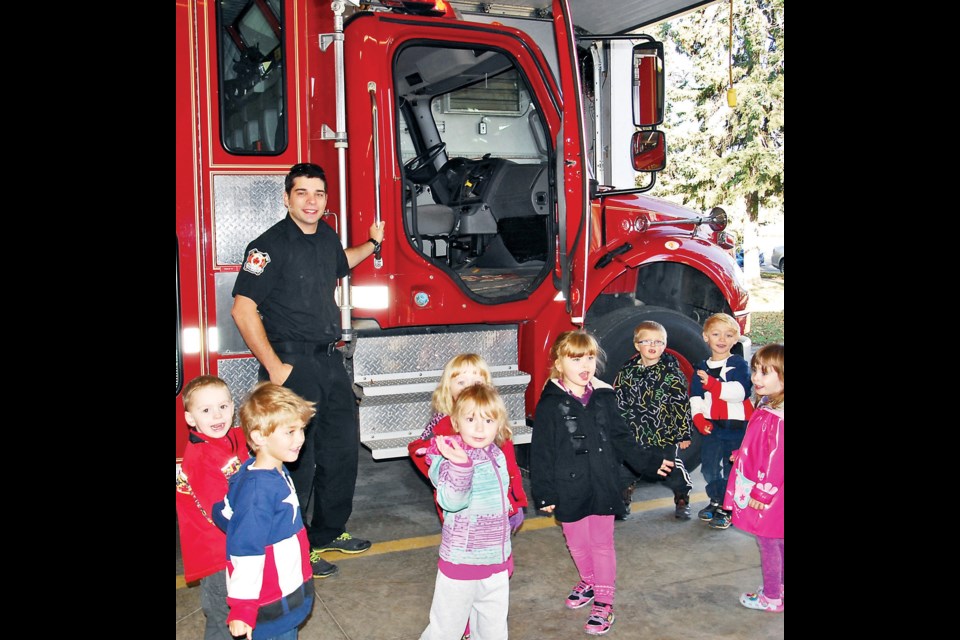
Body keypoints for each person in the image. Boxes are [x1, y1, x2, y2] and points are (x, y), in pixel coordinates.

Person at [231, 162, 385, 578]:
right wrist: (275, 368)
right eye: (302, 193)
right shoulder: (267, 247)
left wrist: (371, 245)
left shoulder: (327, 237)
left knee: (340, 451)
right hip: (290, 363)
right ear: (287, 198)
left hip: (329, 359)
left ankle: (328, 532)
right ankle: (296, 546)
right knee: (297, 458)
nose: (311, 201)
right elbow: (243, 310)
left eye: (318, 193)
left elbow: (339, 262)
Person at [530, 330, 674, 636]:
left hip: (604, 482)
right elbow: (541, 453)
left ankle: (604, 602)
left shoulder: (605, 396)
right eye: (576, 358)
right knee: (577, 543)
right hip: (569, 486)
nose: (586, 364)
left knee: (602, 543)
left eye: (591, 357)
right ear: (559, 362)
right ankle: (589, 580)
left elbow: (622, 438)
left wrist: (648, 461)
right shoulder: (549, 405)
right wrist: (544, 492)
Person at [213, 383, 317, 640]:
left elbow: (227, 515)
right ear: (259, 437)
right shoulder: (258, 491)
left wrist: (228, 515)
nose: (300, 438)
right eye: (290, 431)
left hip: (287, 591)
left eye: (301, 429)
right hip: (271, 602)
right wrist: (242, 609)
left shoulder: (271, 470)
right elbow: (245, 549)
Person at [418, 384, 514, 640]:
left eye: (488, 420)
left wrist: (505, 554)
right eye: (470, 419)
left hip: (495, 563)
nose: (480, 428)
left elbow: (500, 500)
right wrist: (461, 466)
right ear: (456, 423)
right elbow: (451, 501)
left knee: (493, 628)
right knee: (446, 628)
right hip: (461, 562)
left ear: (499, 424)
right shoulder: (449, 458)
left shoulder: (496, 454)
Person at [408, 353, 528, 529]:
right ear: (448, 388)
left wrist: (516, 502)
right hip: (462, 514)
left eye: (476, 383)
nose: (468, 388)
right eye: (461, 382)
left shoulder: (493, 421)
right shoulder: (442, 422)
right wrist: (438, 463)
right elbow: (418, 449)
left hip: (497, 506)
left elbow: (509, 466)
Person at [176, 376, 251, 640]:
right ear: (190, 419)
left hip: (232, 546)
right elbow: (222, 513)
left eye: (223, 406)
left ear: (233, 407)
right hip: (217, 554)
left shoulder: (232, 437)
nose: (217, 415)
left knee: (244, 614)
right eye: (206, 410)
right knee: (225, 618)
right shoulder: (200, 458)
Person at [723, 343, 784, 612]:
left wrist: (762, 494)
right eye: (755, 370)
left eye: (765, 372)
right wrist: (743, 453)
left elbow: (778, 459)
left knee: (768, 542)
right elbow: (763, 445)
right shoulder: (769, 405)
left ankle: (771, 597)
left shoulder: (779, 416)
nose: (756, 378)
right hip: (772, 489)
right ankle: (779, 588)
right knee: (779, 539)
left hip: (771, 492)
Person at [613, 321, 695, 520]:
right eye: (647, 341)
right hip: (634, 433)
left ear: (665, 345)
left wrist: (683, 432)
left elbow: (681, 405)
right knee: (626, 468)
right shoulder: (627, 372)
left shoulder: (672, 373)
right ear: (636, 345)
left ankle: (682, 496)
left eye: (658, 342)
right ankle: (623, 498)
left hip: (663, 434)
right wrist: (617, 428)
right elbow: (619, 400)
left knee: (670, 468)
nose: (653, 345)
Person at [689, 313, 754, 531]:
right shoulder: (700, 366)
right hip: (712, 427)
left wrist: (714, 385)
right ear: (706, 337)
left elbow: (740, 392)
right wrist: (698, 417)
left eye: (728, 335)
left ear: (736, 339)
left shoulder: (738, 364)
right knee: (708, 466)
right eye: (716, 334)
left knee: (731, 467)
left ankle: (729, 506)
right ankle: (715, 499)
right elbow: (695, 396)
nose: (722, 339)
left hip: (736, 426)